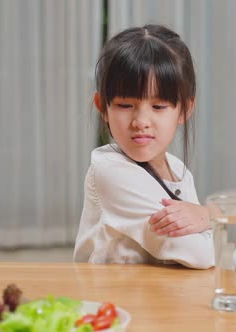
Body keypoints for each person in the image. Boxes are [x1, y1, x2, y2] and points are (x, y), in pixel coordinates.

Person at [73, 24, 214, 269]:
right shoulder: (110, 171)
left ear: (185, 109)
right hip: (113, 304)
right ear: (102, 106)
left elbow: (209, 246)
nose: (140, 122)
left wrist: (204, 216)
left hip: (159, 298)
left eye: (158, 107)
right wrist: (211, 214)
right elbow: (202, 255)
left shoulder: (179, 171)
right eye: (125, 105)